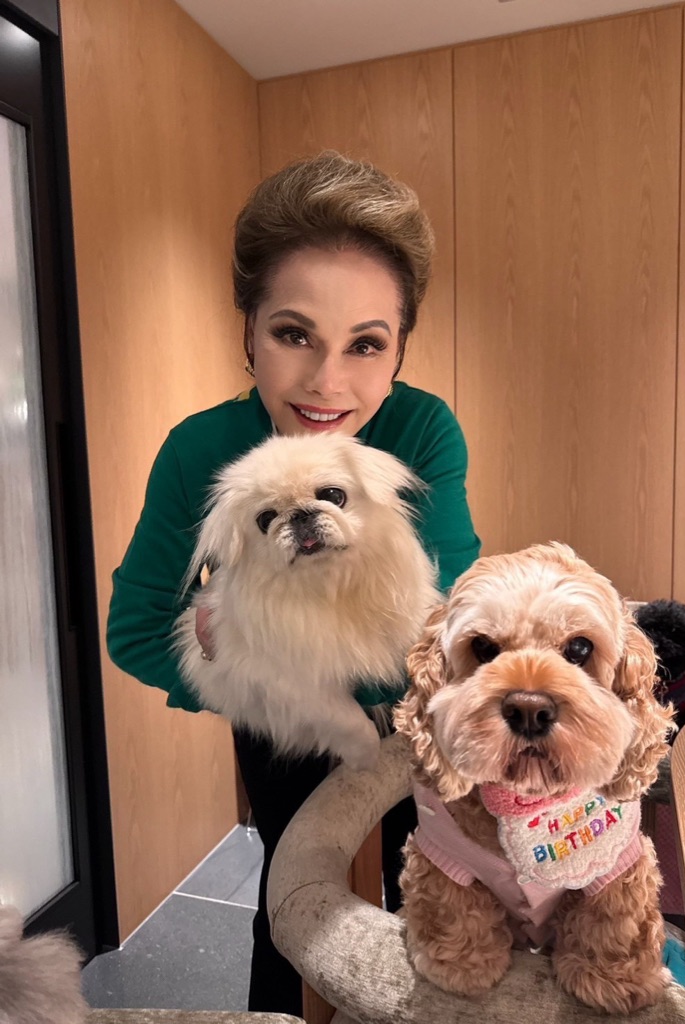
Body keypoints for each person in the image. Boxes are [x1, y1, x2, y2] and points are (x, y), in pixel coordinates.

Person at [106, 151, 481, 1016]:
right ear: (248, 332)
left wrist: (274, 647)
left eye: (365, 344)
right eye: (293, 334)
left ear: (399, 350)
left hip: (419, 715)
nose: (325, 381)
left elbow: (445, 620)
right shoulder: (201, 451)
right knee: (293, 907)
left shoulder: (421, 432)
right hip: (281, 728)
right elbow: (137, 627)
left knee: (431, 892)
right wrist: (256, 685)